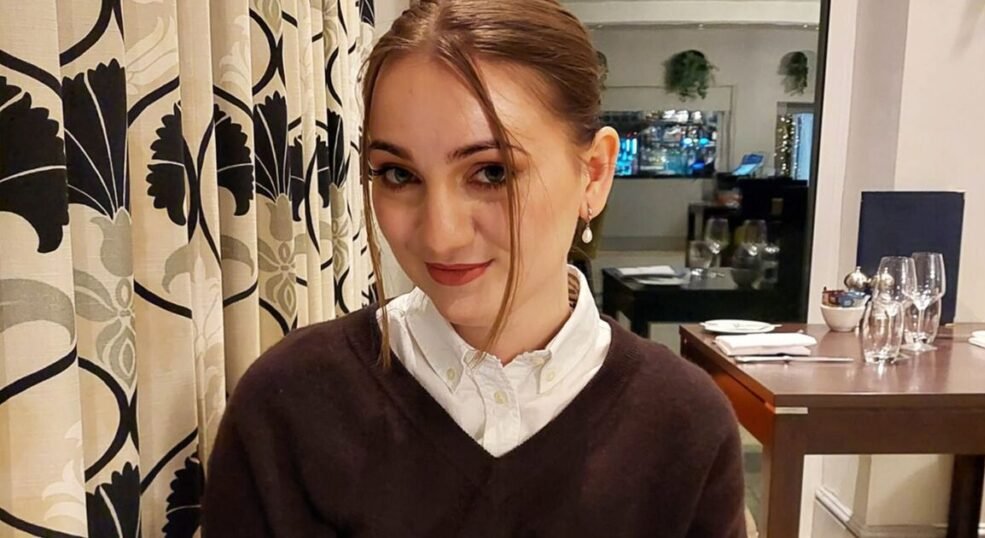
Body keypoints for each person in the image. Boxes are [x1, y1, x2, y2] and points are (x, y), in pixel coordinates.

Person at [202, 0, 746, 536]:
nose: (440, 234)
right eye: (397, 174)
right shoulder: (289, 406)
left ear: (595, 173)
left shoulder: (685, 426)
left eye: (491, 172)